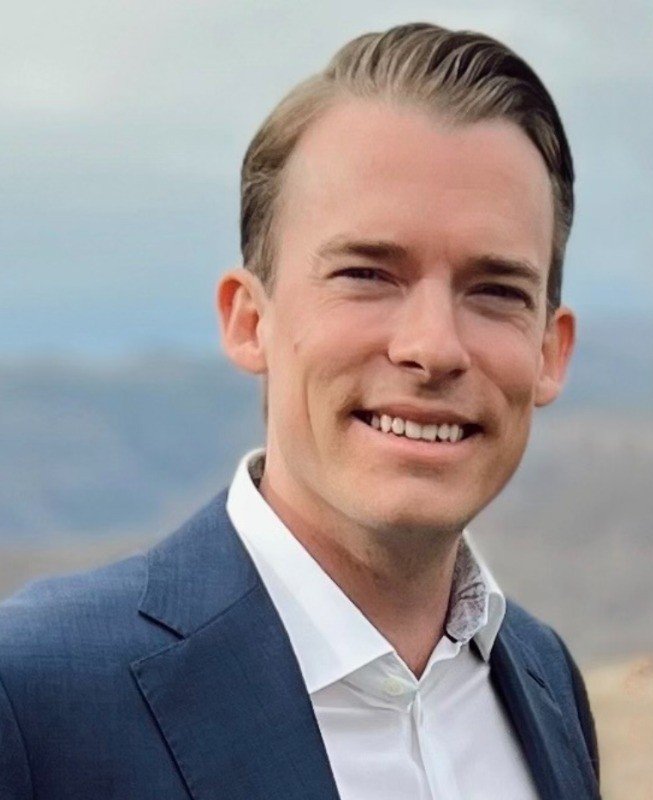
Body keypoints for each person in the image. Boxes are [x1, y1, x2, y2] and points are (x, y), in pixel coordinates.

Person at [0, 22, 600, 800]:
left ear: (551, 352)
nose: (434, 347)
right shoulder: (35, 697)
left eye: (495, 290)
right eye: (368, 274)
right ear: (250, 321)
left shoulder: (546, 684)